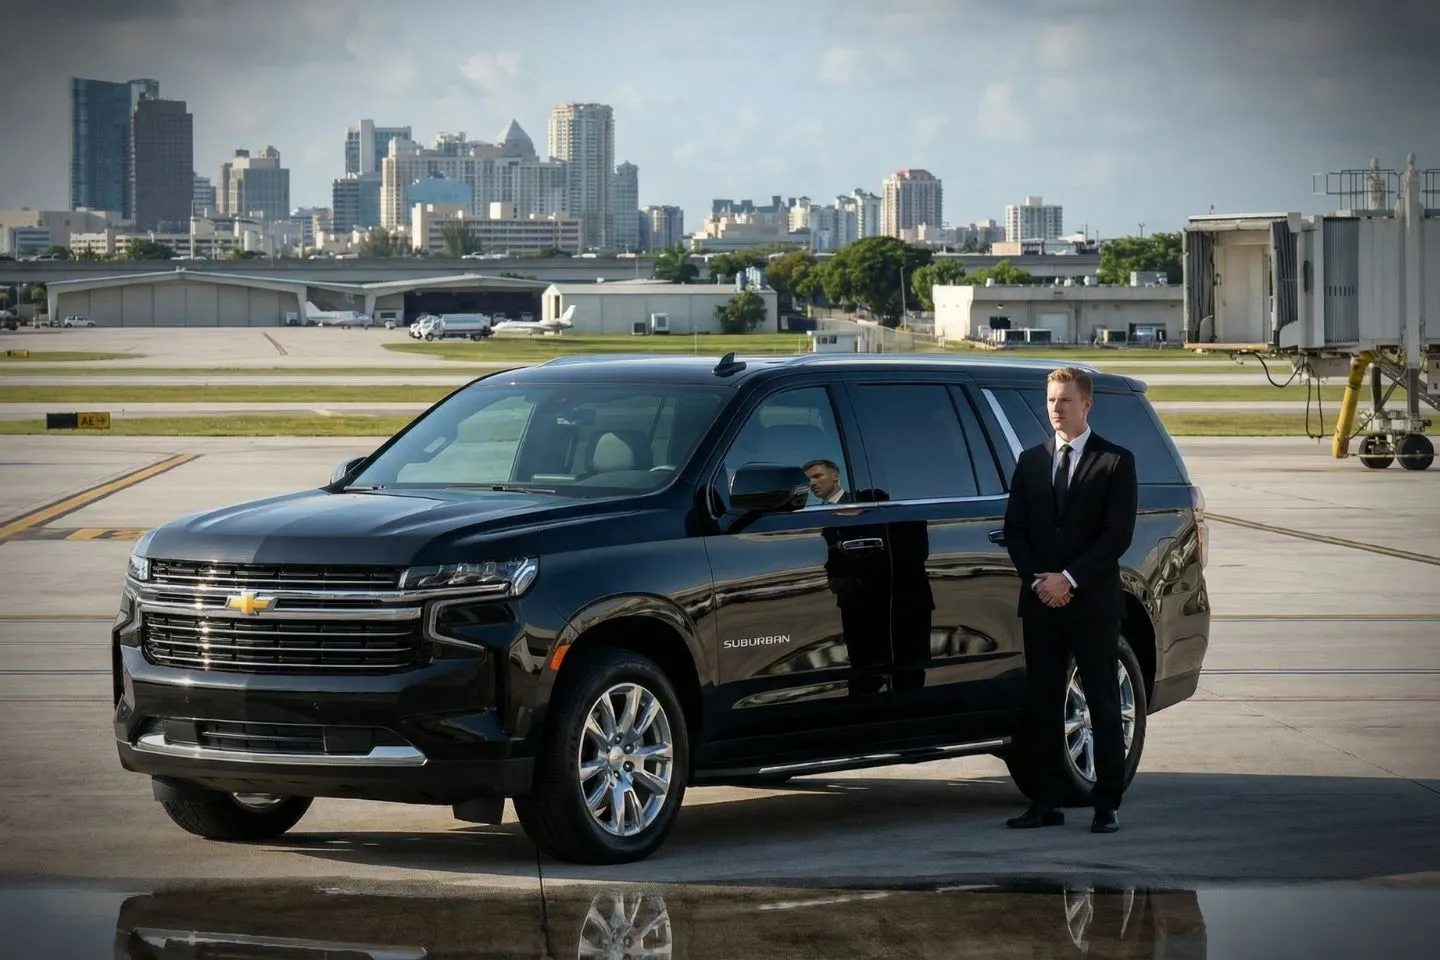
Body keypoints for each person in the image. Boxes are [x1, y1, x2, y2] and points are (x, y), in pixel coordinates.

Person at [1001, 367, 1138, 834]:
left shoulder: (1115, 462)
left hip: (1092, 603)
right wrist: (1040, 581)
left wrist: (1069, 579)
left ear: (1087, 404)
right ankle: (1046, 801)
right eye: (1051, 401)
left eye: (1065, 401)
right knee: (1044, 702)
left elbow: (1116, 535)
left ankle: (1106, 803)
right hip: (1041, 601)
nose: (1056, 409)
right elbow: (1015, 529)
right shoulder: (1031, 461)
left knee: (1100, 701)